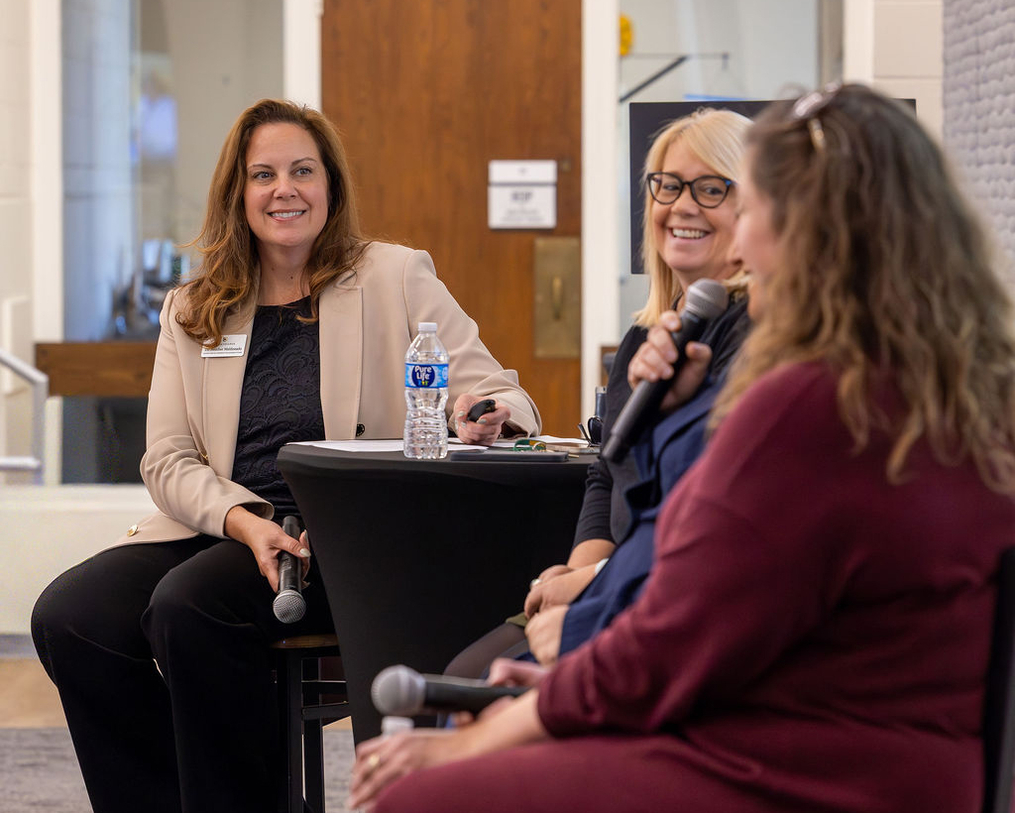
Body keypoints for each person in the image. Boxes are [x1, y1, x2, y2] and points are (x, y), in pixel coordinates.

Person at [348, 83, 1015, 813]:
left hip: (799, 766)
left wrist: (482, 738)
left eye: (747, 209)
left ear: (812, 232)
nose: (741, 245)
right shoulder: (951, 388)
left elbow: (673, 630)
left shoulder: (811, 403)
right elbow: (736, 614)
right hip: (883, 754)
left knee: (420, 791)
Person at [30, 98, 540, 813]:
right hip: (228, 524)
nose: (284, 190)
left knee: (188, 606)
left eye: (302, 171)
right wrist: (243, 521)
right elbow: (167, 457)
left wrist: (483, 416)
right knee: (69, 614)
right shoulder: (193, 306)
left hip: (344, 537)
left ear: (329, 184)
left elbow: (505, 397)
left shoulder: (393, 276)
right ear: (237, 193)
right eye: (263, 175)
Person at [445, 108, 753, 677]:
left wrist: (591, 582)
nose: (682, 205)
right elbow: (607, 474)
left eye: (711, 188)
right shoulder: (644, 337)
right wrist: (572, 573)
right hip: (615, 578)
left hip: (672, 597)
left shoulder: (755, 332)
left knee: (473, 686)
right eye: (668, 186)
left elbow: (711, 504)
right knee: (462, 673)